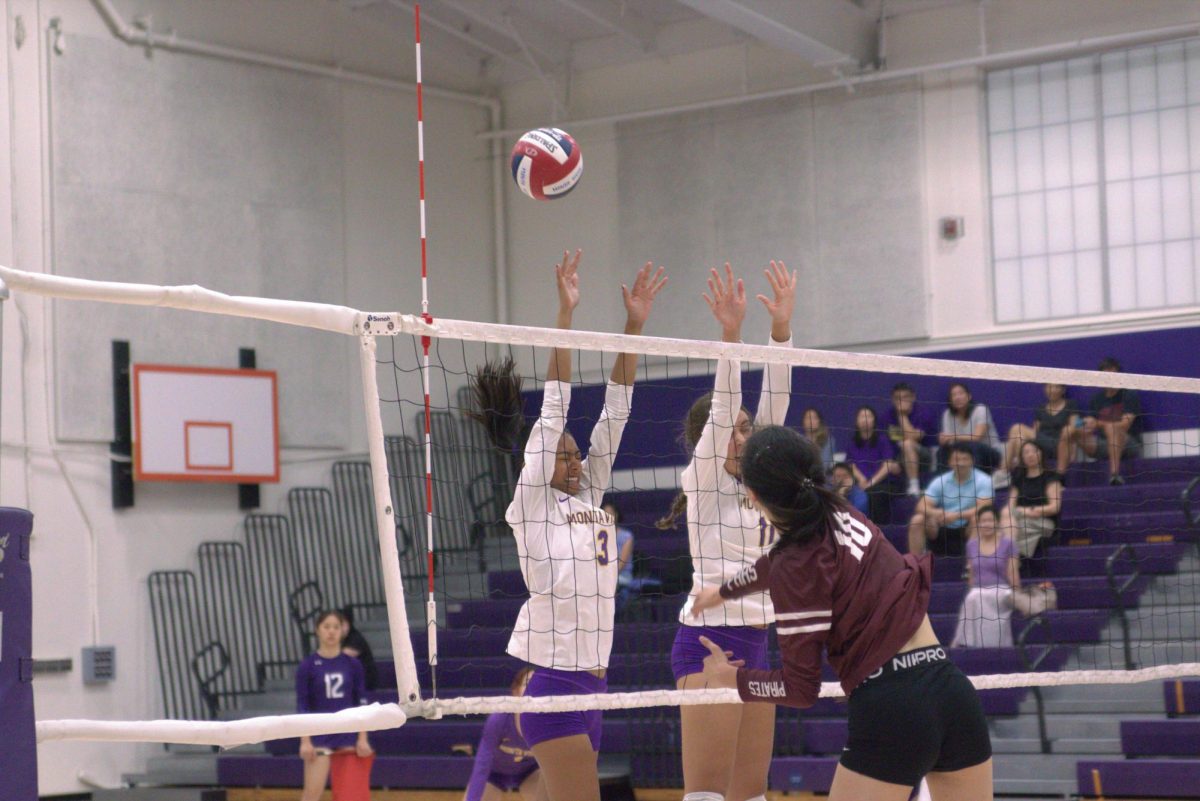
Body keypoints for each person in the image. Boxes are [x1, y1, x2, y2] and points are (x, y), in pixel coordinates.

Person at [688, 425, 993, 801]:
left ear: (752, 495)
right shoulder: (838, 509)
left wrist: (732, 680)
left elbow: (800, 689)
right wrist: (722, 591)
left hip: (894, 707)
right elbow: (776, 562)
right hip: (952, 693)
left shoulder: (794, 567)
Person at [471, 250, 666, 801]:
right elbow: (554, 406)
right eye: (565, 457)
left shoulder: (591, 497)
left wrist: (633, 326)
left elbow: (617, 411)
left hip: (595, 682)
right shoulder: (531, 502)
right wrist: (566, 313)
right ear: (539, 461)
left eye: (577, 455)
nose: (576, 462)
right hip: (555, 684)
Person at [657, 261, 795, 801]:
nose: (748, 432)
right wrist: (730, 337)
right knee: (709, 797)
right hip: (707, 643)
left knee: (751, 796)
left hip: (759, 643)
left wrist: (780, 330)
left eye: (747, 426)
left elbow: (777, 403)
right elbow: (720, 413)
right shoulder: (705, 480)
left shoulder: (767, 477)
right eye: (740, 429)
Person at [953, 506, 1058, 648]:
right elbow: (972, 576)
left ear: (997, 523)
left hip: (1001, 590)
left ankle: (985, 645)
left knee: (977, 598)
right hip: (978, 590)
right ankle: (971, 645)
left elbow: (1013, 572)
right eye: (983, 521)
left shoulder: (1008, 544)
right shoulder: (971, 545)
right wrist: (974, 588)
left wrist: (1017, 593)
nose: (987, 524)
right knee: (973, 597)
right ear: (978, 524)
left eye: (990, 520)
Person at [296, 610, 373, 801]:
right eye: (326, 627)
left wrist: (362, 738)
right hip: (319, 739)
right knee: (311, 795)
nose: (331, 632)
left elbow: (361, 704)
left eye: (336, 627)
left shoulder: (353, 665)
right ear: (317, 630)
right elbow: (302, 706)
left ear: (343, 631)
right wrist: (305, 741)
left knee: (350, 796)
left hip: (347, 738)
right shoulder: (307, 666)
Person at [463, 667, 545, 801]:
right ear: (516, 691)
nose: (533, 688)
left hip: (529, 773)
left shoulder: (550, 724)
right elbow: (482, 764)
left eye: (538, 683)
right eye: (528, 683)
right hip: (493, 775)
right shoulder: (500, 718)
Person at [908, 444, 994, 558]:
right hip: (941, 525)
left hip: (967, 526)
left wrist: (956, 516)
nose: (961, 463)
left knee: (978, 519)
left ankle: (973, 565)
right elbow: (921, 506)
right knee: (917, 519)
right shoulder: (940, 481)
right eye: (957, 459)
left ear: (972, 461)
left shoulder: (984, 480)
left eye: (965, 459)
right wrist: (937, 513)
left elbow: (984, 508)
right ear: (950, 462)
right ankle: (915, 566)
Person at [1071, 357, 1142, 485]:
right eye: (1105, 375)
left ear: (1118, 374)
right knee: (1070, 430)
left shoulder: (1129, 395)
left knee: (1112, 428)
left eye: (1111, 374)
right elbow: (1089, 421)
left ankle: (1114, 475)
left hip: (1130, 443)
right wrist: (1080, 424)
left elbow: (1125, 425)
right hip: (1104, 445)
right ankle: (1063, 477)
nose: (1109, 378)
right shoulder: (1096, 399)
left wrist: (1098, 424)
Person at [994, 383, 1078, 487]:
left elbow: (1074, 428)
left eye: (1056, 387)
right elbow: (1035, 431)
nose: (1052, 390)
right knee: (1019, 436)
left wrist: (1073, 449)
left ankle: (1003, 472)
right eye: (1049, 387)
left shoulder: (1071, 405)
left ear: (1063, 390)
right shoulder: (1041, 408)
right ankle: (1025, 475)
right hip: (1042, 445)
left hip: (1060, 445)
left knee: (1017, 428)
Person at [1001, 440, 1063, 561]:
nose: (1030, 455)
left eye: (1034, 451)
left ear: (1041, 454)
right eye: (1026, 452)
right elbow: (1010, 506)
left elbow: (1054, 507)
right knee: (1005, 522)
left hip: (1043, 521)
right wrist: (1019, 513)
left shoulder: (1051, 477)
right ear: (1021, 457)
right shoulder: (1018, 479)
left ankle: (1007, 560)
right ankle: (1013, 560)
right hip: (1020, 519)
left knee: (1003, 530)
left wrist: (1029, 510)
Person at [881, 382, 938, 497]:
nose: (901, 401)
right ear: (892, 400)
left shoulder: (924, 413)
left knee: (907, 443)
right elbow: (884, 442)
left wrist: (902, 415)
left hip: (925, 455)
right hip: (900, 456)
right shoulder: (886, 416)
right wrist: (890, 460)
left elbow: (913, 437)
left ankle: (914, 485)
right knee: (904, 444)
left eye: (905, 397)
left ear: (913, 397)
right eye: (897, 398)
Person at [844, 406, 899, 524]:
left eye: (868, 416)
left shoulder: (883, 440)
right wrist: (862, 479)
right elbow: (850, 464)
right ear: (857, 421)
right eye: (862, 417)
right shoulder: (852, 443)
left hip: (884, 483)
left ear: (874, 420)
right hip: (861, 484)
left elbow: (888, 465)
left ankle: (878, 531)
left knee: (874, 494)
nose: (865, 419)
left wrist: (871, 483)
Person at [602, 501, 662, 609]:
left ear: (617, 515)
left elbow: (622, 563)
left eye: (610, 513)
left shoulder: (626, 536)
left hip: (621, 576)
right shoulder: (597, 535)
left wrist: (609, 576)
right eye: (605, 513)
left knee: (608, 584)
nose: (608, 516)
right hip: (602, 575)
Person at [937, 382, 1002, 473]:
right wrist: (944, 440)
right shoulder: (948, 414)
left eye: (960, 393)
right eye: (954, 395)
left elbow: (976, 438)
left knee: (973, 447)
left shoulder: (981, 409)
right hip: (962, 452)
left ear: (969, 396)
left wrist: (952, 436)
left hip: (990, 453)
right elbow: (950, 441)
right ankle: (943, 484)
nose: (957, 397)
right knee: (942, 451)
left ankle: (973, 483)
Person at [340, 607, 379, 692]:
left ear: (348, 624)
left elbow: (340, 658)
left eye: (343, 624)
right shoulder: (341, 640)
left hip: (365, 681)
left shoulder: (355, 638)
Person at [801, 408, 836, 472]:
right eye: (808, 418)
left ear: (819, 421)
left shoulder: (828, 441)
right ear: (803, 421)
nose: (811, 421)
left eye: (814, 418)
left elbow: (824, 464)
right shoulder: (798, 442)